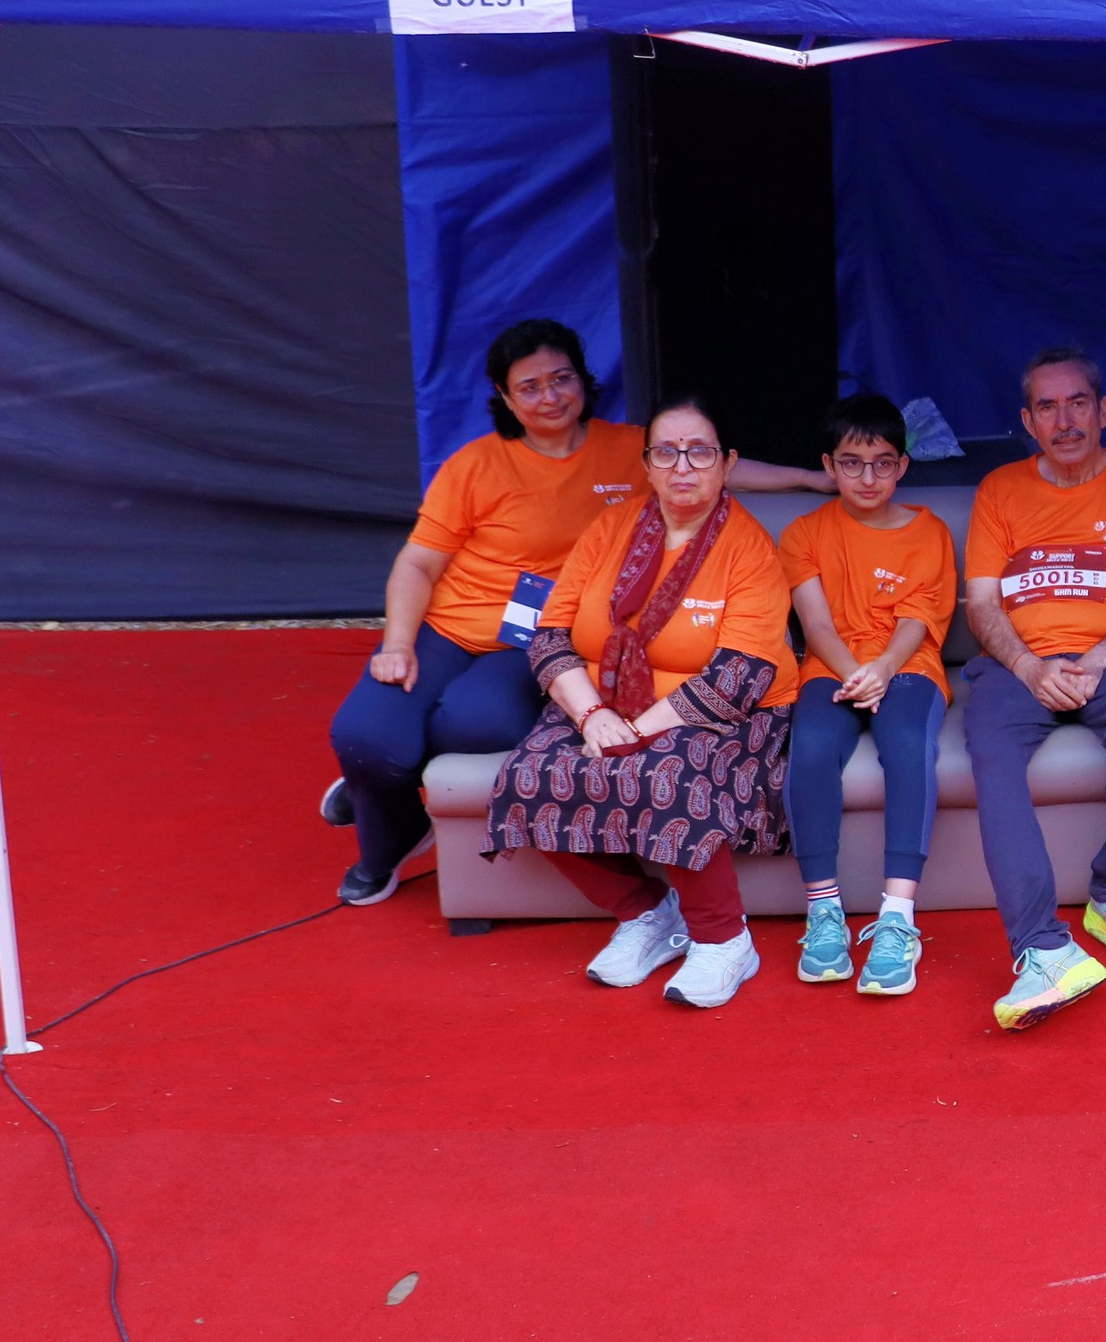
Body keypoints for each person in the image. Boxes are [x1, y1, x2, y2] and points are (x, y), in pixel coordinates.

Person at [323, 320, 825, 910]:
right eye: (529, 386)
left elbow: (706, 460)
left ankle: (386, 779)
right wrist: (398, 643)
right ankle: (384, 824)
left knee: (477, 724)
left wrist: (810, 478)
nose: (550, 396)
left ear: (583, 381)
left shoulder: (629, 449)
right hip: (454, 626)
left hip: (532, 639)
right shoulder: (475, 464)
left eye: (561, 379)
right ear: (505, 397)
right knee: (366, 736)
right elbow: (417, 563)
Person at [485, 398, 797, 1010]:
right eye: (666, 452)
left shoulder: (749, 547)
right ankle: (646, 913)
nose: (683, 467)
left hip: (723, 709)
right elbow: (549, 635)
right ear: (647, 464)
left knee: (667, 774)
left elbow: (741, 674)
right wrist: (594, 716)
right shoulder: (609, 528)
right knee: (528, 776)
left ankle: (724, 940)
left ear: (728, 463)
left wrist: (637, 731)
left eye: (700, 452)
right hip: (602, 702)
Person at [956, 347, 1106, 1031]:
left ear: (1103, 410)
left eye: (1078, 402)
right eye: (1048, 407)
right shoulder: (999, 489)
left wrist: (1101, 656)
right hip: (1018, 663)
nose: (1065, 420)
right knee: (990, 753)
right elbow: (981, 605)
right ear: (1027, 421)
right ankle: (1042, 949)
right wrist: (1030, 667)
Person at [778, 392, 955, 998]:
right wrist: (857, 672)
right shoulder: (803, 533)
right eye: (852, 463)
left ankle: (897, 917)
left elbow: (917, 620)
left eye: (882, 462)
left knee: (906, 743)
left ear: (902, 464)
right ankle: (824, 911)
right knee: (809, 749)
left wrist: (881, 670)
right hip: (832, 665)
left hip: (907, 665)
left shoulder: (929, 531)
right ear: (829, 465)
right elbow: (816, 625)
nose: (868, 477)